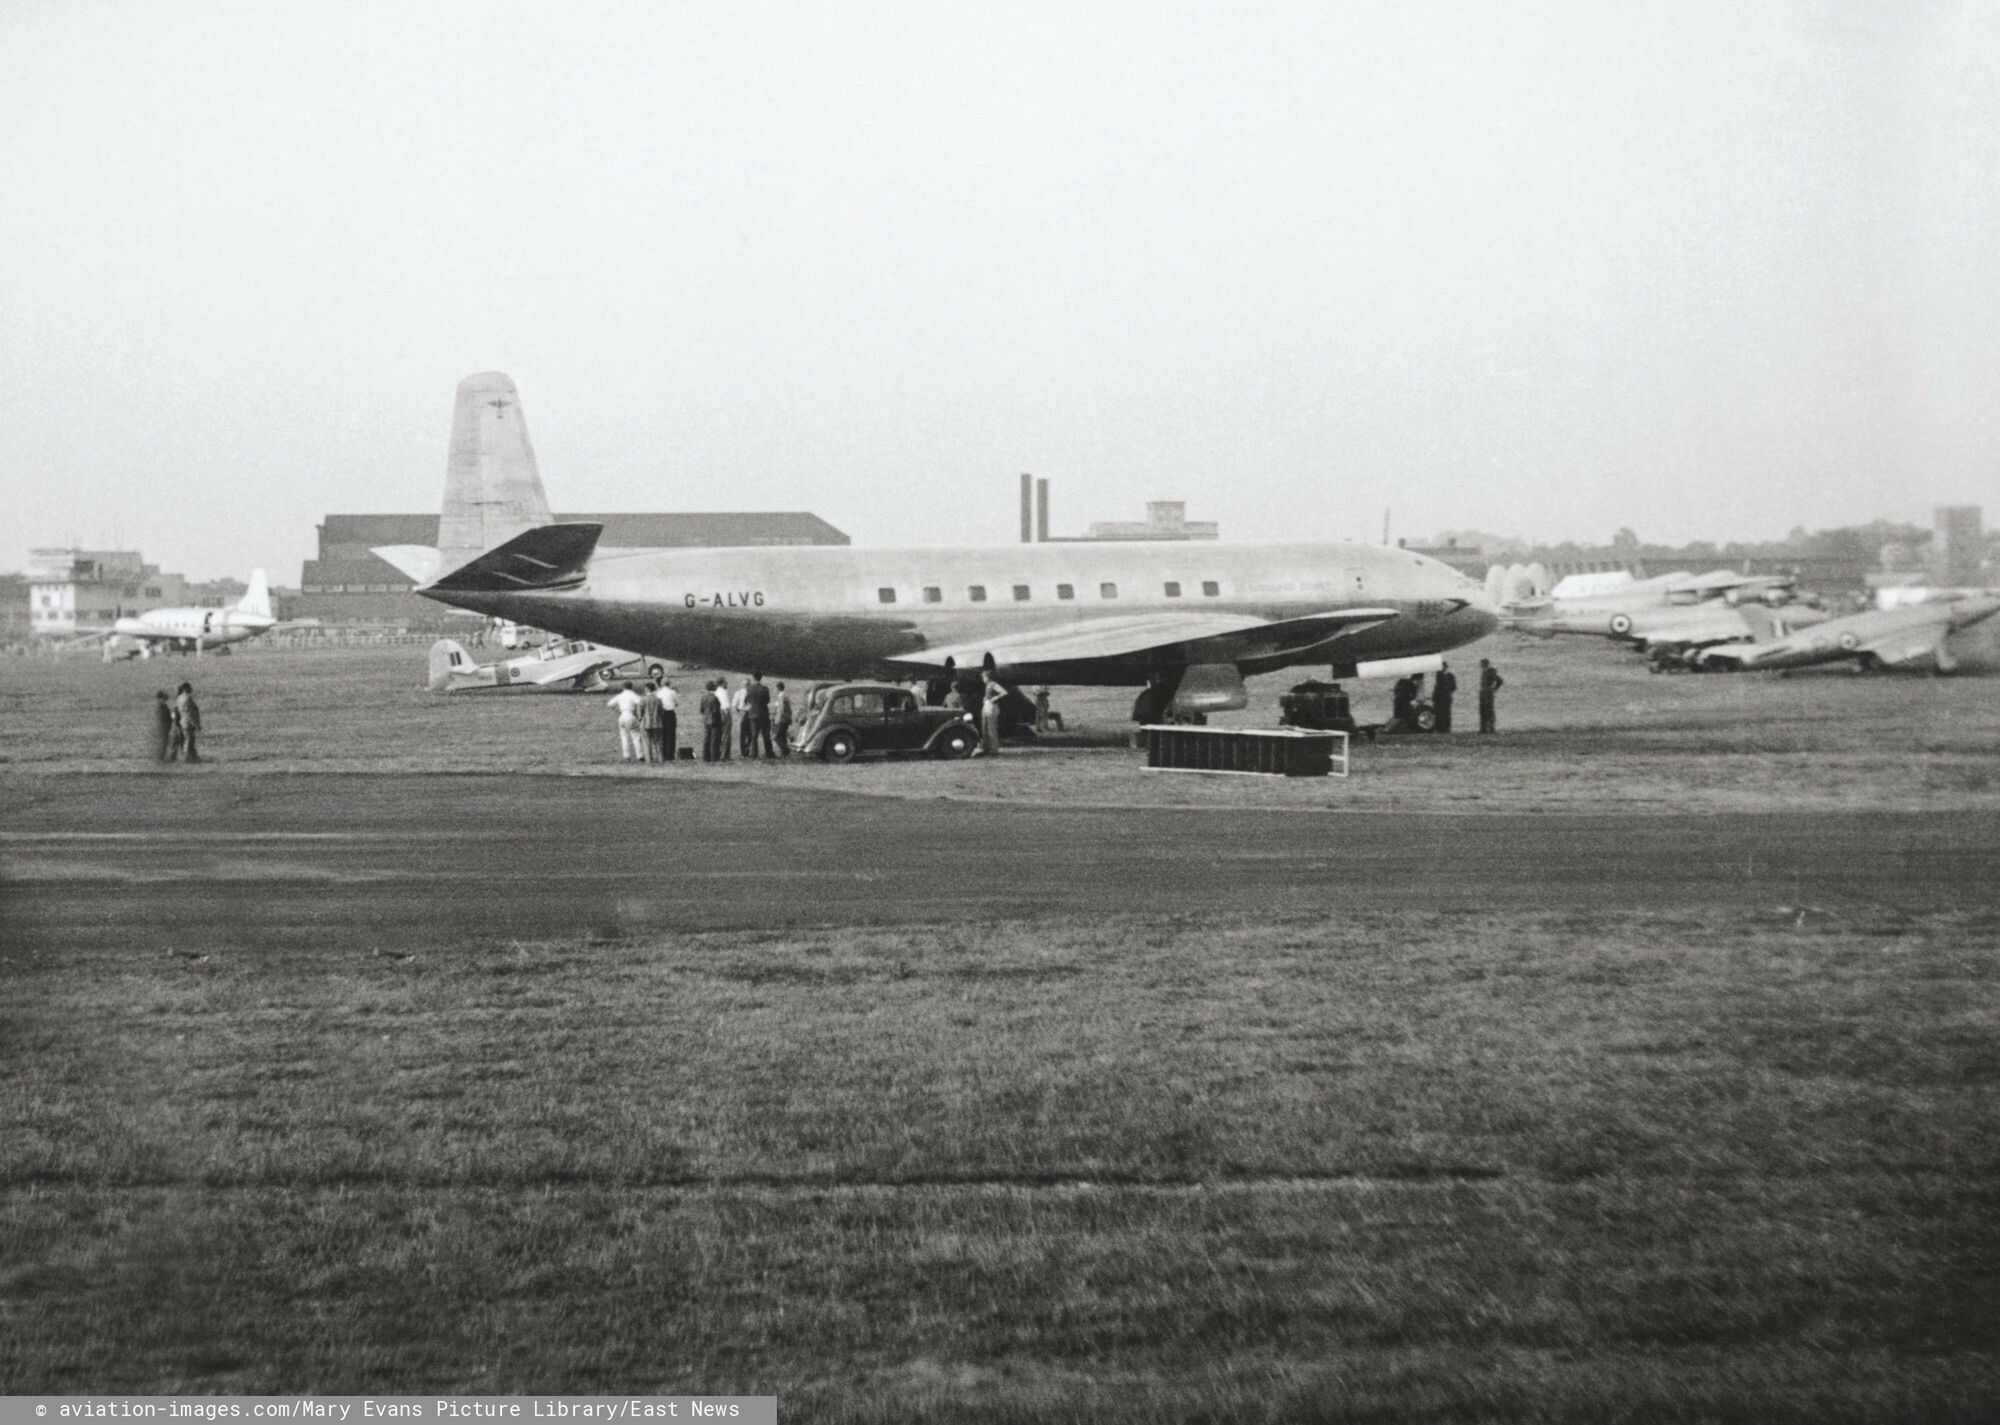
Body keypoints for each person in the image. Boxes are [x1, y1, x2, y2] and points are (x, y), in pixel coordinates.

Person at [606, 681, 646, 761]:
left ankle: (626, 755)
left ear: (623, 687)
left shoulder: (620, 695)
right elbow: (641, 703)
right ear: (632, 687)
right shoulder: (633, 695)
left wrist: (618, 711)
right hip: (630, 715)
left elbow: (609, 704)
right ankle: (639, 755)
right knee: (636, 736)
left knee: (624, 736)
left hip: (622, 715)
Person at [972, 670, 1005, 756]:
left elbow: (1004, 692)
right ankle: (985, 748)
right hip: (986, 706)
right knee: (984, 727)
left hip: (992, 706)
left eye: (984, 677)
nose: (983, 679)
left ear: (987, 677)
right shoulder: (988, 685)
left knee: (991, 728)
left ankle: (994, 750)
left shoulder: (994, 684)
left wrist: (995, 698)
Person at [744, 673, 775, 758]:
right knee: (766, 734)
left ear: (754, 678)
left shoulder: (750, 688)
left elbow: (748, 700)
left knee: (754, 734)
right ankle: (769, 752)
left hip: (753, 713)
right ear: (761, 678)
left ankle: (754, 753)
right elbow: (767, 700)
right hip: (764, 713)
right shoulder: (765, 689)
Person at [172, 682, 202, 762]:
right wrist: (196, 724)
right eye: (190, 688)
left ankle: (191, 758)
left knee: (186, 741)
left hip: (182, 722)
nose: (191, 689)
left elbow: (176, 711)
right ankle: (187, 759)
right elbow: (190, 713)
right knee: (189, 741)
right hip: (188, 723)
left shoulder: (179, 698)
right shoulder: (188, 698)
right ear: (186, 688)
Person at [639, 682, 665, 763]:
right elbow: (662, 712)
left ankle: (649, 760)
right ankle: (660, 758)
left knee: (647, 743)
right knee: (658, 742)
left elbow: (640, 714)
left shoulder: (643, 700)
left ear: (646, 689)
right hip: (657, 722)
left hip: (646, 723)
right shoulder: (659, 700)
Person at [1478, 658, 1504, 734]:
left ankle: (1491, 728)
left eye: (1482, 664)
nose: (1481, 665)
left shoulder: (1491, 671)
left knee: (1489, 710)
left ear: (1486, 664)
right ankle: (1484, 728)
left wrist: (1494, 689)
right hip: (1483, 692)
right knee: (1482, 710)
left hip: (1488, 692)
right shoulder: (1484, 672)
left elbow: (1500, 681)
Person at [699, 681, 722, 761]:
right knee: (714, 739)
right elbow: (716, 710)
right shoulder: (714, 698)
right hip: (714, 720)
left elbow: (701, 710)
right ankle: (714, 757)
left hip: (706, 720)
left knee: (706, 739)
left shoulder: (704, 697)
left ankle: (705, 756)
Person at [1432, 661, 1458, 734]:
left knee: (1445, 713)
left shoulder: (1448, 676)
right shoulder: (1441, 675)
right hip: (1441, 697)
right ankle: (1440, 728)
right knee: (1440, 713)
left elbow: (1453, 687)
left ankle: (1446, 728)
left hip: (1445, 697)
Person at [657, 679, 679, 761]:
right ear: (669, 683)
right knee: (671, 734)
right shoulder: (672, 692)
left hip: (662, 714)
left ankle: (663, 753)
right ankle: (670, 755)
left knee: (663, 734)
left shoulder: (659, 692)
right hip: (670, 713)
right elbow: (676, 703)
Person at [772, 681, 794, 757]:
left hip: (781, 719)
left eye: (775, 688)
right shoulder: (784, 696)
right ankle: (783, 753)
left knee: (776, 737)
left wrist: (777, 720)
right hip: (786, 719)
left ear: (778, 688)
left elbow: (781, 710)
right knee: (782, 736)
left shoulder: (781, 697)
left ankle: (786, 750)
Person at [152, 689, 174, 763]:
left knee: (161, 742)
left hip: (161, 725)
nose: (167, 697)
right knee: (163, 742)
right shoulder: (162, 705)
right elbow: (165, 717)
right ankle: (161, 759)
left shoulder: (158, 704)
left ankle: (160, 758)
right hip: (163, 726)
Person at [713, 677, 733, 760]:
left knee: (718, 734)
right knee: (726, 734)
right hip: (725, 713)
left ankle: (717, 753)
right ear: (722, 684)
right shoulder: (724, 692)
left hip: (717, 713)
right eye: (725, 682)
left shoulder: (715, 692)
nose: (727, 684)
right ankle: (725, 755)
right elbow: (726, 705)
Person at [732, 678, 753, 757]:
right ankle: (743, 751)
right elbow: (734, 705)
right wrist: (739, 712)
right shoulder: (739, 693)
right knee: (743, 734)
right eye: (745, 684)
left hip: (751, 713)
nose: (747, 686)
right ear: (742, 685)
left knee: (751, 734)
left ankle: (747, 748)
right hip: (743, 713)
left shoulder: (752, 693)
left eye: (748, 684)